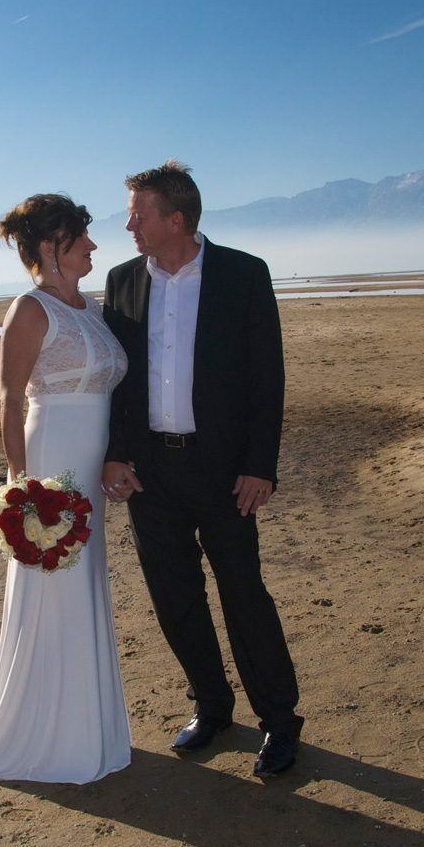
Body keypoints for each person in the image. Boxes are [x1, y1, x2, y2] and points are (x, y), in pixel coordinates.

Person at [102, 161, 303, 777]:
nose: (129, 224)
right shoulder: (122, 280)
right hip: (150, 474)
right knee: (175, 598)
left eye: (139, 213)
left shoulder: (243, 274)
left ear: (176, 218)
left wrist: (258, 465)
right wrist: (115, 452)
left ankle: (278, 721)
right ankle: (212, 707)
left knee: (244, 593)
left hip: (223, 472)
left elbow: (266, 378)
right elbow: (118, 380)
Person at [0, 194, 131, 784]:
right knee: (53, 584)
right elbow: (11, 399)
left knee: (84, 582)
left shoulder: (91, 307)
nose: (94, 246)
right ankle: (47, 737)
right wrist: (22, 486)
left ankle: (86, 725)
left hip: (91, 468)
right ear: (51, 246)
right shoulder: (29, 309)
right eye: (82, 238)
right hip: (53, 467)